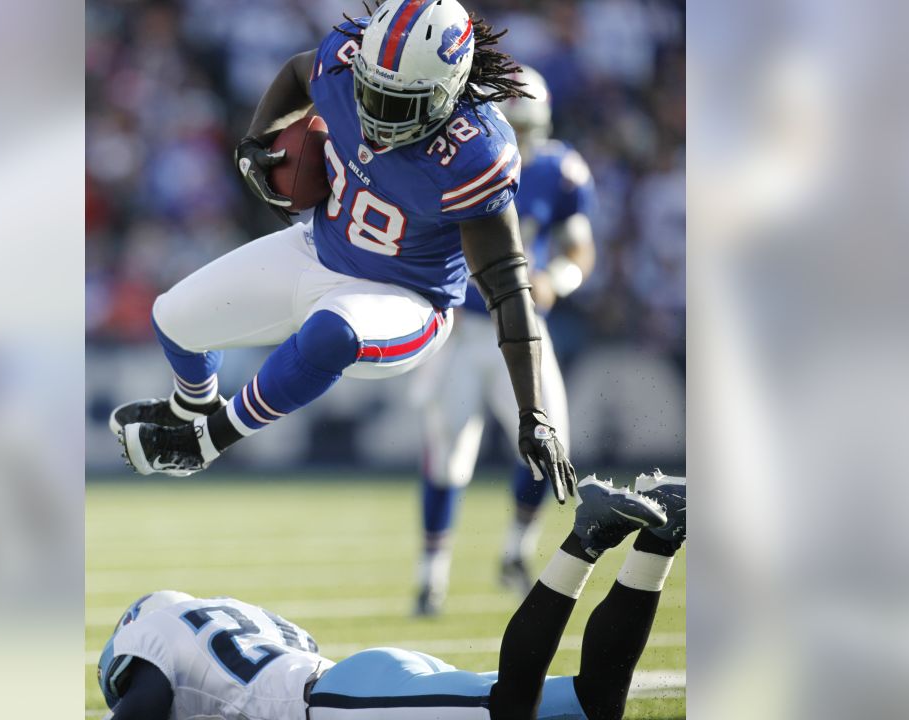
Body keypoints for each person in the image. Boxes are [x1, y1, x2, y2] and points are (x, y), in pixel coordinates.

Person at [109, 0, 574, 501]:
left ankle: (205, 443)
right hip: (319, 249)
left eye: (397, 102)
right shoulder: (344, 58)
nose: (374, 110)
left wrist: (534, 414)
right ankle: (191, 408)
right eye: (369, 90)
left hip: (407, 300)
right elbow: (295, 73)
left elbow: (508, 288)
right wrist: (253, 142)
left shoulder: (475, 153)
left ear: (446, 93)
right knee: (173, 318)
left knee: (330, 332)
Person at [96, 472, 686, 720]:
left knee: (512, 710)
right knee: (595, 704)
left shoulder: (148, 639)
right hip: (358, 682)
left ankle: (586, 539)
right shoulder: (225, 618)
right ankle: (661, 537)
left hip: (337, 704)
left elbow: (142, 704)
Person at [410, 66, 600, 614]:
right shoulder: (446, 160)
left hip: (521, 326)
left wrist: (558, 278)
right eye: (511, 127)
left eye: (528, 129)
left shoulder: (559, 170)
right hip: (460, 330)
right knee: (447, 456)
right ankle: (431, 578)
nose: (520, 142)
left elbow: (579, 248)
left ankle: (516, 551)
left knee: (551, 442)